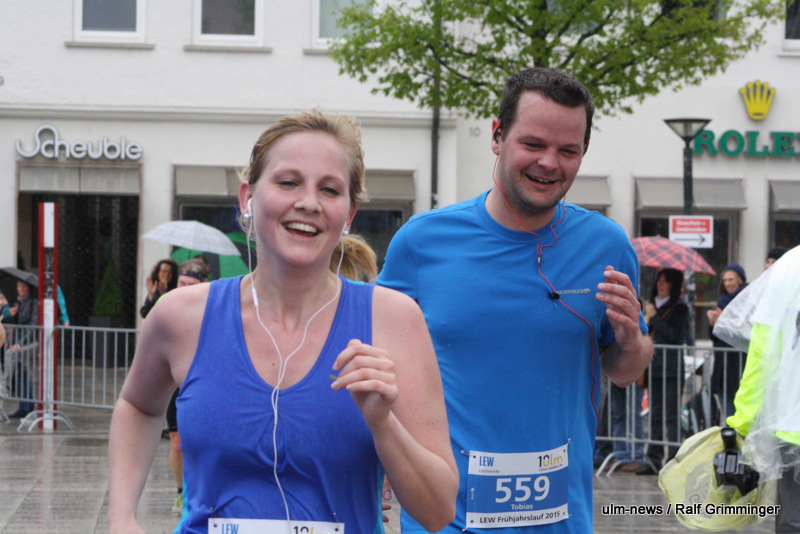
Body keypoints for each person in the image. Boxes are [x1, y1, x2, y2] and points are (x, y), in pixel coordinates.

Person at [108, 109, 458, 534]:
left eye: (329, 189)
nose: (308, 202)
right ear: (248, 197)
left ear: (348, 215)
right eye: (288, 182)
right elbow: (138, 406)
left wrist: (384, 424)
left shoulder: (394, 319)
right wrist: (121, 516)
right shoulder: (180, 316)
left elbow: (438, 511)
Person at [378, 67, 652, 533]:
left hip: (559, 520)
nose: (549, 163)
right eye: (533, 144)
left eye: (568, 151)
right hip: (445, 520)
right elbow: (381, 365)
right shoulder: (422, 242)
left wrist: (631, 341)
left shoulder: (606, 245)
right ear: (498, 136)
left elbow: (625, 370)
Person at [726, 245, 800, 532]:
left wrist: (741, 424)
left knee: (794, 519)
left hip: (793, 425)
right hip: (792, 426)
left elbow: (761, 358)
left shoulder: (788, 267)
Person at [165, 257, 210, 516]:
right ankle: (181, 493)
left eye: (191, 285)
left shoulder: (213, 309)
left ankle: (202, 491)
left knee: (203, 443)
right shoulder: (166, 305)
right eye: (182, 283)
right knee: (177, 443)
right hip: (174, 384)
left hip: (202, 384)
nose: (185, 289)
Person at [638, 268, 689, 475]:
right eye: (659, 280)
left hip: (672, 368)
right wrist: (647, 320)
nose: (661, 284)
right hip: (654, 367)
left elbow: (674, 335)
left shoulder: (680, 308)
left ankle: (674, 459)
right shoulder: (651, 306)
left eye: (666, 281)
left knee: (671, 415)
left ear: (673, 285)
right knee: (655, 415)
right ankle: (653, 458)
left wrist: (655, 317)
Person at [707, 264, 748, 419]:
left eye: (731, 279)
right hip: (722, 366)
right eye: (725, 280)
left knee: (739, 415)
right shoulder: (721, 301)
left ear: (739, 280)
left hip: (739, 365)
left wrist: (723, 321)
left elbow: (743, 331)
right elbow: (714, 337)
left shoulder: (747, 299)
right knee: (728, 415)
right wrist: (713, 324)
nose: (727, 283)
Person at [7, 279, 38, 418]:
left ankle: (30, 406)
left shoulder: (33, 302)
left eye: (24, 286)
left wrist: (21, 342)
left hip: (29, 342)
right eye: (19, 286)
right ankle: (23, 406)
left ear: (29, 288)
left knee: (29, 373)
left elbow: (32, 325)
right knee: (21, 372)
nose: (22, 289)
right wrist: (13, 315)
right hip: (20, 340)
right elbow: (16, 323)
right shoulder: (17, 303)